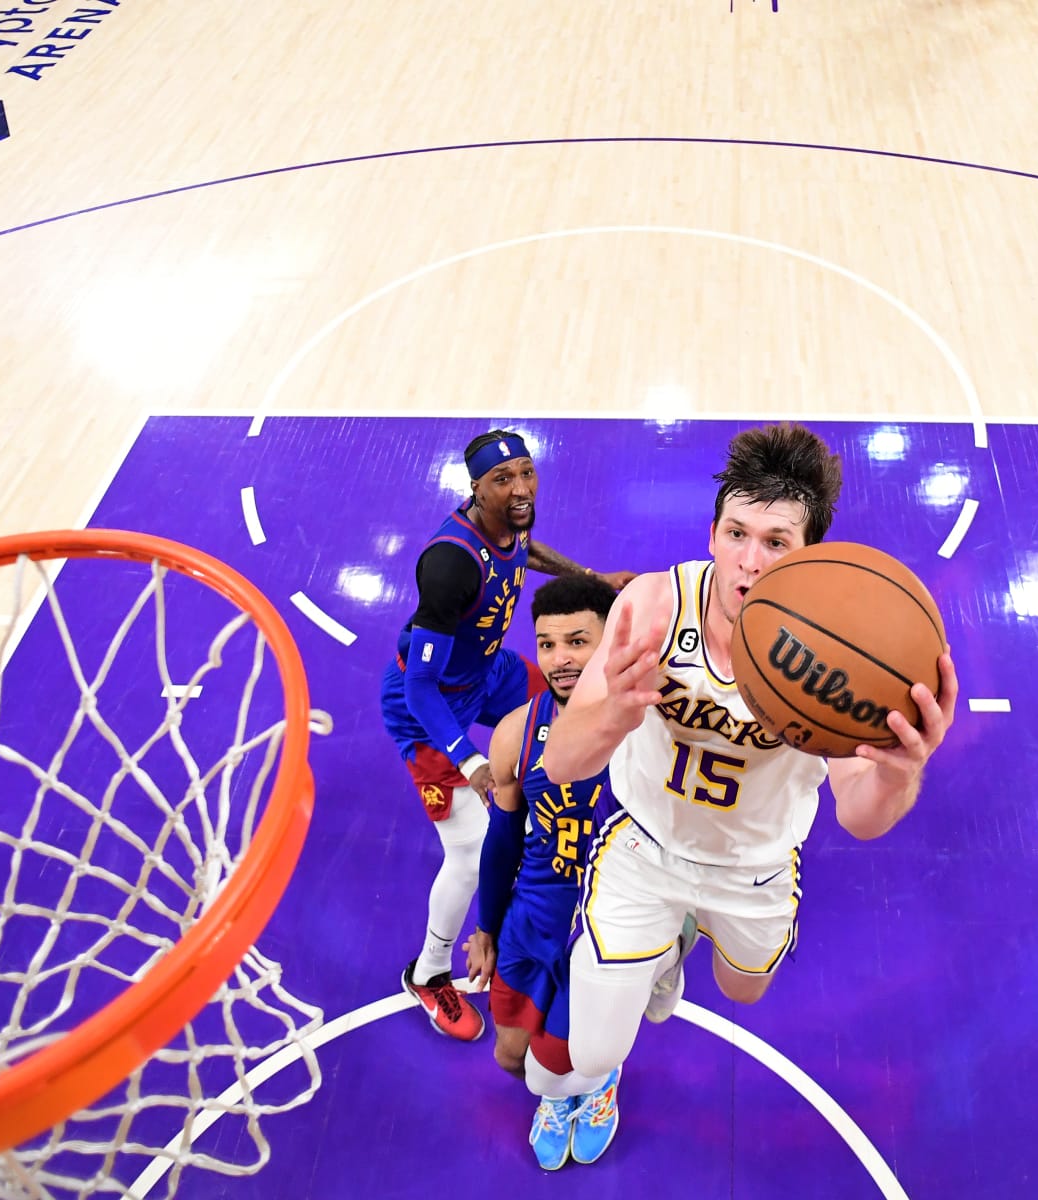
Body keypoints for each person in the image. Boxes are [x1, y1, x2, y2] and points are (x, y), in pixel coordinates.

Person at [539, 422, 960, 1122]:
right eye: (737, 534)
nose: (749, 562)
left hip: (754, 867)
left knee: (743, 990)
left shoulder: (836, 649)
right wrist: (613, 714)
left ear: (809, 556)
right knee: (591, 1051)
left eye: (776, 543)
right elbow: (560, 764)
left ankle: (674, 944)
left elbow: (861, 818)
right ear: (712, 535)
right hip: (645, 847)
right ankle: (611, 1057)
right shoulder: (652, 608)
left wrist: (899, 771)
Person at [378, 429, 633, 1041]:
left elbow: (526, 550)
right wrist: (470, 763)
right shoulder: (449, 566)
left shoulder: (508, 522)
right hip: (431, 706)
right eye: (503, 479)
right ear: (476, 488)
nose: (520, 489)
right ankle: (429, 971)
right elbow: (420, 687)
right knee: (469, 854)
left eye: (526, 473)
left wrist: (592, 578)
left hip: (488, 674)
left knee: (572, 702)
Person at [461, 573, 620, 1170]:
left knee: (573, 1053)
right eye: (548, 644)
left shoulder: (647, 732)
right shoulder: (516, 732)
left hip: (605, 924)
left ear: (610, 641)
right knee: (511, 1057)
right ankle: (565, 1090)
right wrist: (487, 927)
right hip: (535, 912)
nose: (560, 659)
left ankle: (597, 1085)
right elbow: (502, 839)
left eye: (578, 641)